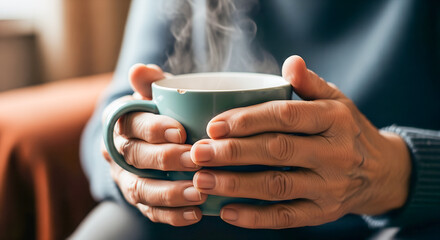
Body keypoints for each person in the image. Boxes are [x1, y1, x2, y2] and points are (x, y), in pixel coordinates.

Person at [73, 0, 440, 239]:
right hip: (206, 216)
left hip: (400, 213)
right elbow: (116, 112)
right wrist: (132, 159)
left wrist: (392, 172)